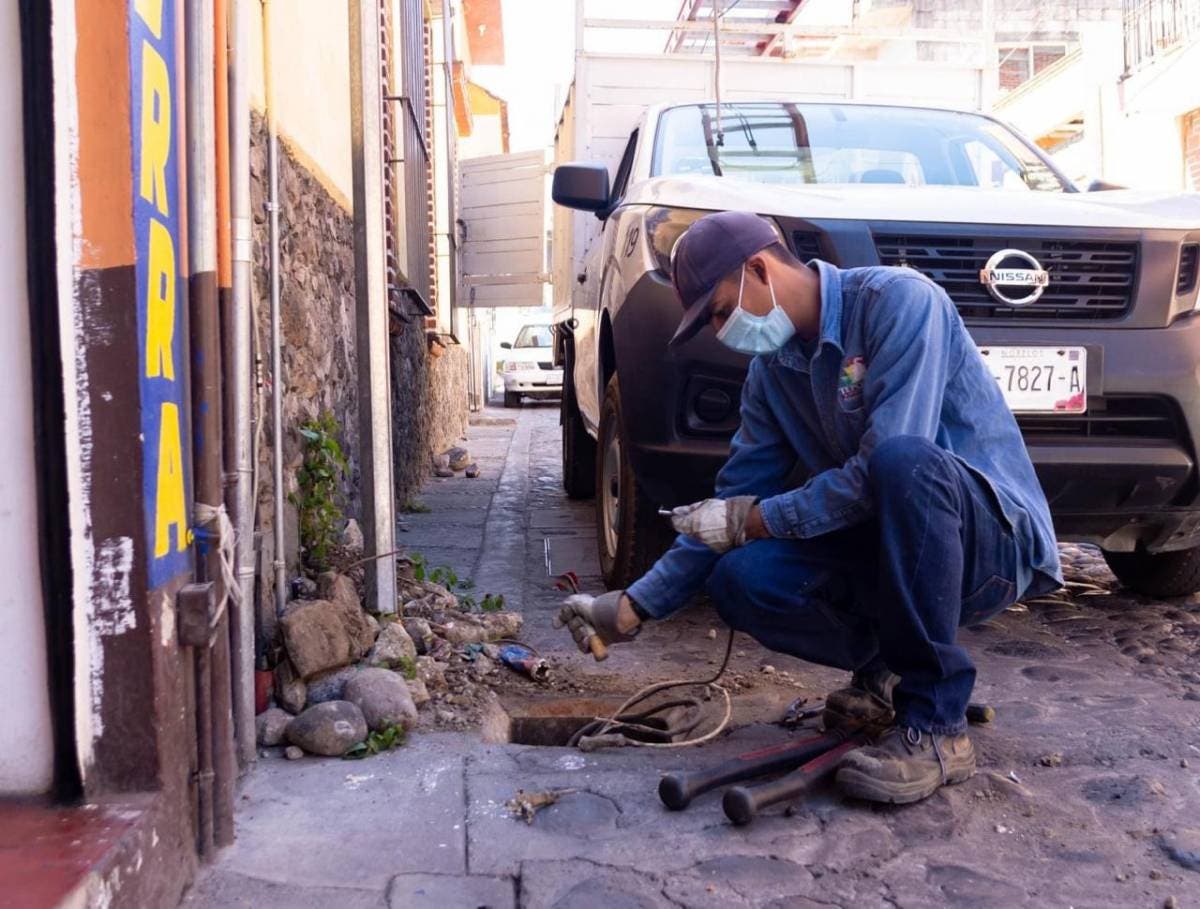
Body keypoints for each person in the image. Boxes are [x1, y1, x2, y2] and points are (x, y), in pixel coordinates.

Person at [555, 210, 1061, 805]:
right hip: (894, 549)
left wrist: (759, 519)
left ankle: (936, 725)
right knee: (741, 576)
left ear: (758, 268)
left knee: (901, 461)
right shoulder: (772, 374)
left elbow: (881, 471)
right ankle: (886, 671)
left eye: (720, 311)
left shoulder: (901, 303)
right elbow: (730, 504)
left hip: (989, 544)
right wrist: (634, 606)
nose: (722, 331)